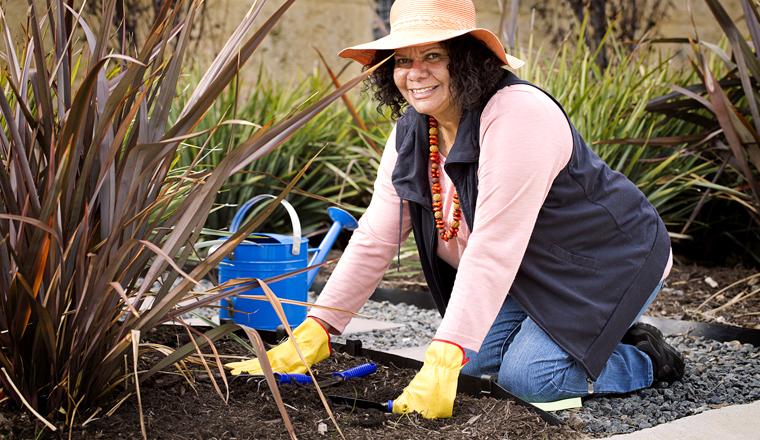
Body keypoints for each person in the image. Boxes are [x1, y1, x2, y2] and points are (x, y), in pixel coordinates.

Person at [226, 0, 685, 419]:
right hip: (528, 267)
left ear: (466, 59)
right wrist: (318, 328)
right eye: (403, 60)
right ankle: (583, 338)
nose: (415, 73)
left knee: (528, 380)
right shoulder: (413, 130)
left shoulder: (517, 115)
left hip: (607, 261)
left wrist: (445, 353)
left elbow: (494, 245)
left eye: (433, 56)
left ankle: (645, 357)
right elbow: (375, 236)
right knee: (477, 361)